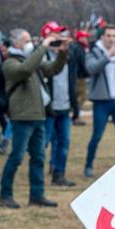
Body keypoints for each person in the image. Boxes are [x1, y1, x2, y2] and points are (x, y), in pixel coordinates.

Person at [0, 28, 67, 208]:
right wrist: (43, 47)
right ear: (16, 43)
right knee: (17, 156)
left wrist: (62, 52)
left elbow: (53, 69)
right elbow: (25, 69)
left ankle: (37, 195)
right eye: (27, 40)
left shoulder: (33, 59)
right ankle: (5, 194)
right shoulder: (10, 63)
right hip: (21, 117)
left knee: (38, 157)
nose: (31, 43)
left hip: (38, 115)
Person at [83, 26, 115, 178]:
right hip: (101, 101)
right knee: (97, 135)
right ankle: (89, 165)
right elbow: (91, 69)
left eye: (114, 36)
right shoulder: (94, 52)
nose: (112, 39)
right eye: (108, 36)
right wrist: (107, 56)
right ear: (102, 37)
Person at [40, 21, 76, 186]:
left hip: (64, 106)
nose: (60, 38)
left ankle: (59, 174)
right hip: (48, 108)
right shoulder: (41, 56)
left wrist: (74, 104)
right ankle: (38, 176)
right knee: (43, 143)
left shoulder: (67, 55)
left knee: (64, 142)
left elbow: (72, 81)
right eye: (56, 35)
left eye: (61, 35)